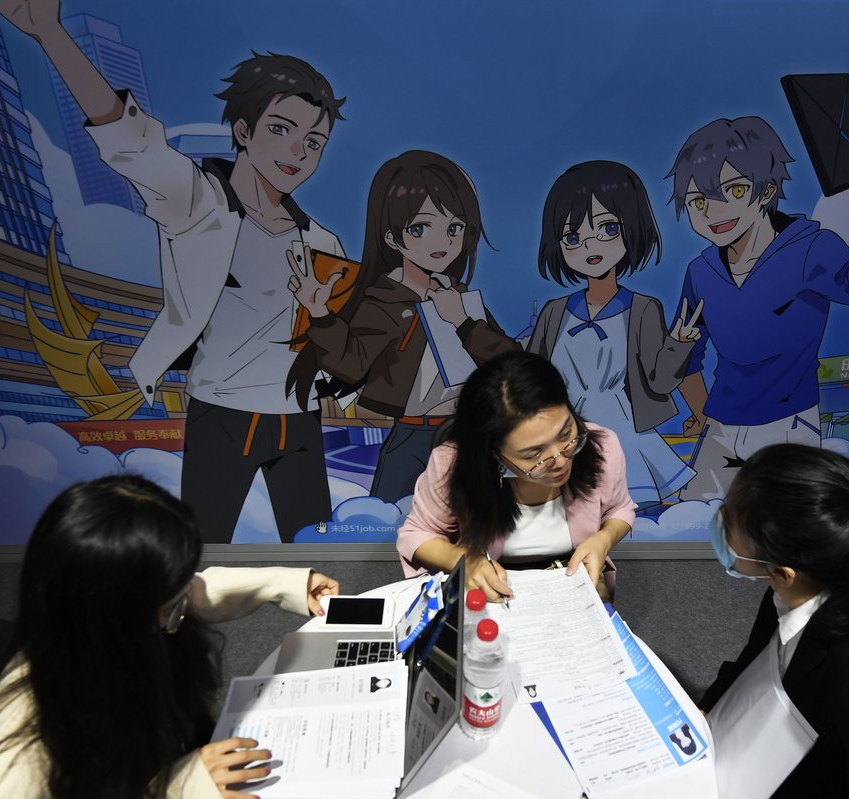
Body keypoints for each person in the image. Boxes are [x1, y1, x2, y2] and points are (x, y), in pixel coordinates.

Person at [0, 0, 347, 544]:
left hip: (298, 419)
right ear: (244, 131)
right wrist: (50, 33)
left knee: (318, 546)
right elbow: (131, 142)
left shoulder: (322, 240)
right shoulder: (198, 199)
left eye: (313, 141)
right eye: (281, 128)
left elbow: (331, 337)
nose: (298, 150)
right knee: (199, 551)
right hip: (219, 413)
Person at [0, 474, 341, 799]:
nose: (185, 609)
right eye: (174, 606)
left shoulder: (93, 620)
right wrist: (177, 788)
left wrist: (285, 584)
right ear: (117, 615)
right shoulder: (24, 743)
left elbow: (200, 590)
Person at [666, 116, 849, 499]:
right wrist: (703, 413)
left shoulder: (809, 248)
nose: (714, 211)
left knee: (788, 526)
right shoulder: (700, 270)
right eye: (698, 201)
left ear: (767, 189)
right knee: (697, 518)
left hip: (789, 424)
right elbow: (689, 351)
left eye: (734, 190)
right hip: (722, 427)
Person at [699, 443, 849, 797]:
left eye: (730, 518)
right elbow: (754, 663)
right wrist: (705, 711)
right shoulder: (793, 589)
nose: (719, 520)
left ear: (784, 573)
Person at [290, 150, 519, 502]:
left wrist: (462, 321)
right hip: (411, 434)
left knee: (474, 525)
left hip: (468, 433)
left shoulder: (461, 298)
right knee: (387, 518)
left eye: (454, 227)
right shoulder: (384, 300)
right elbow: (350, 364)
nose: (441, 241)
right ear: (393, 238)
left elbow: (511, 364)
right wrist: (320, 316)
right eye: (420, 228)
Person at [528, 160, 701, 507]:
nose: (591, 247)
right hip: (563, 433)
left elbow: (660, 381)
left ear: (632, 230)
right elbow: (530, 376)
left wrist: (679, 344)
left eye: (608, 229)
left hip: (624, 429)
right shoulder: (554, 312)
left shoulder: (643, 308)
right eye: (574, 237)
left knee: (628, 511)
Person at [396, 350, 636, 601]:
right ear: (494, 453)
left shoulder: (602, 447)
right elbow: (417, 534)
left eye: (566, 434)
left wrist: (603, 539)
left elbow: (620, 510)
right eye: (535, 454)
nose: (561, 460)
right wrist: (465, 561)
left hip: (572, 579)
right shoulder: (450, 465)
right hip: (494, 584)